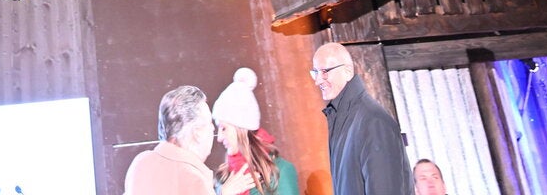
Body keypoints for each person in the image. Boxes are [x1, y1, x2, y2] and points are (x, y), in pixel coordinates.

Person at [310, 42, 413, 195]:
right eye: (315, 72)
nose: (318, 80)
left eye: (324, 71)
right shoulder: (343, 120)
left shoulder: (373, 121)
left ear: (347, 71)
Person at [212, 67, 298, 195]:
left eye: (224, 128)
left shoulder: (280, 171)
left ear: (241, 128)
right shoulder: (223, 179)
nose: (219, 137)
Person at [123, 84, 215, 195]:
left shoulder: (140, 163)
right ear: (197, 132)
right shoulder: (194, 180)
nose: (213, 128)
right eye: (210, 123)